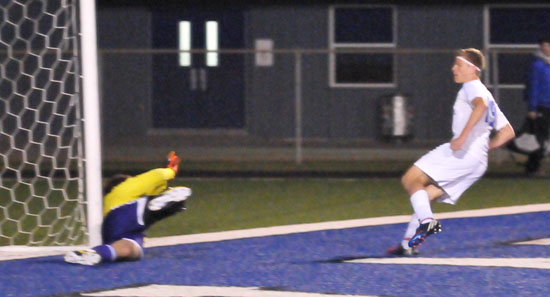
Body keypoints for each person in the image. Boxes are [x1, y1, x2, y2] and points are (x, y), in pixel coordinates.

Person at [387, 48, 516, 256]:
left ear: (473, 69)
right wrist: (485, 147)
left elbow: (480, 107)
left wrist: (463, 137)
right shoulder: (486, 93)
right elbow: (508, 132)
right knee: (424, 196)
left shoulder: (471, 87)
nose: (453, 68)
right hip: (477, 162)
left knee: (410, 179)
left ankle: (427, 223)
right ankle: (408, 245)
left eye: (458, 65)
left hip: (461, 153)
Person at [64, 151, 191, 265]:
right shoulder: (124, 187)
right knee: (172, 203)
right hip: (127, 213)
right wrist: (170, 171)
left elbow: (154, 188)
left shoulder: (111, 200)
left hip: (117, 230)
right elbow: (156, 176)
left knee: (130, 251)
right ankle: (153, 209)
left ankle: (94, 253)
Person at [524, 37, 550, 176]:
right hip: (542, 106)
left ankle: (533, 166)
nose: (546, 48)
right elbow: (534, 87)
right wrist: (532, 108)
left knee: (543, 136)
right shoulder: (538, 65)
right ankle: (533, 167)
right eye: (544, 45)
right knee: (539, 137)